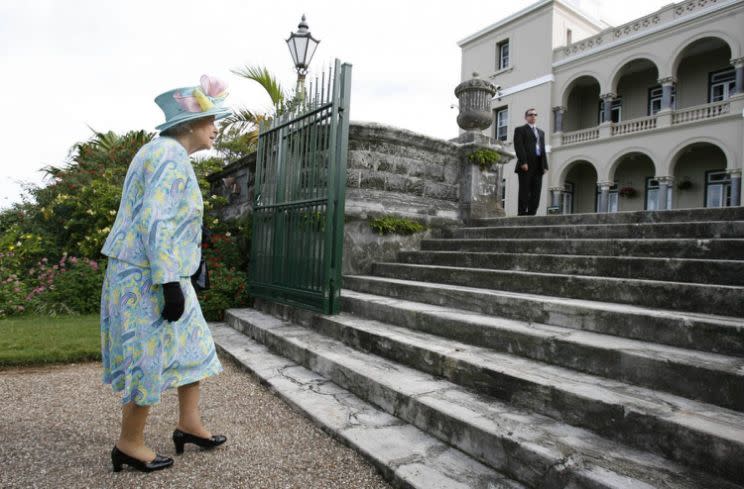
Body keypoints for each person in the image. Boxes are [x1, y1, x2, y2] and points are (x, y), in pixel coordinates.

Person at [100, 75, 231, 473]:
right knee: (147, 354)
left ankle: (189, 423)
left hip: (162, 270)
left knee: (195, 344)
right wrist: (170, 282)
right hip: (146, 276)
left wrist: (187, 267)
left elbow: (172, 221)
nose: (216, 128)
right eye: (211, 120)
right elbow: (156, 221)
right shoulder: (168, 155)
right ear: (189, 124)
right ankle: (128, 443)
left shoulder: (164, 153)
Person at [513, 108, 548, 215]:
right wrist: (523, 162)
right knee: (524, 190)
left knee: (536, 191)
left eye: (535, 114)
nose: (533, 116)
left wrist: (545, 165)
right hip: (526, 164)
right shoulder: (520, 130)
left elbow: (542, 149)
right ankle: (522, 213)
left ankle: (532, 213)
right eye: (530, 114)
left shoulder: (541, 132)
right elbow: (519, 146)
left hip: (539, 165)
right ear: (526, 117)